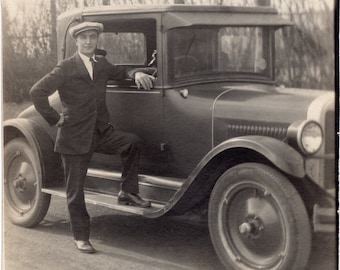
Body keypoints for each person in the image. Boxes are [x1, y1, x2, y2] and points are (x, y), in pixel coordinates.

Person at [30, 22, 155, 254]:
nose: (88, 41)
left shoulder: (101, 63)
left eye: (92, 37)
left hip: (100, 133)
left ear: (97, 40)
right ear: (76, 41)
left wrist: (136, 72)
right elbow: (37, 91)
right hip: (73, 137)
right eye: (84, 38)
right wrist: (54, 118)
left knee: (131, 142)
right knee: (75, 191)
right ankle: (81, 237)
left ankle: (127, 192)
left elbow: (121, 71)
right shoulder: (66, 67)